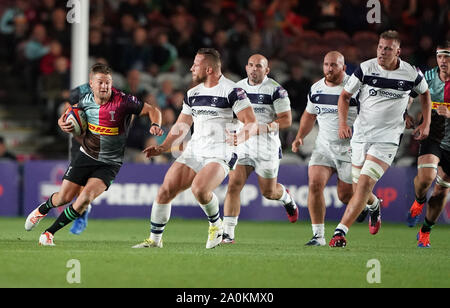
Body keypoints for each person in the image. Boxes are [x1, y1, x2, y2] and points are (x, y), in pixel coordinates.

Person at [24, 63, 163, 246]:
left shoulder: (123, 101)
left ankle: (49, 233)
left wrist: (156, 125)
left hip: (110, 163)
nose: (104, 86)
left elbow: (153, 110)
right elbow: (67, 114)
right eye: (100, 83)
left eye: (107, 82)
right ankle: (43, 209)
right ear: (92, 84)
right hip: (86, 156)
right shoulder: (85, 101)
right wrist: (61, 122)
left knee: (85, 199)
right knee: (64, 197)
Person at [132, 48, 257, 249]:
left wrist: (240, 136)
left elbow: (251, 122)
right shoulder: (193, 93)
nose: (191, 68)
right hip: (195, 150)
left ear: (208, 69)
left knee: (199, 189)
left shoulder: (233, 91)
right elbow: (181, 125)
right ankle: (155, 240)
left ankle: (217, 226)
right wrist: (163, 146)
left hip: (221, 152)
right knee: (165, 190)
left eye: (195, 64)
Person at [329, 30, 432, 247]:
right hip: (361, 135)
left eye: (388, 49)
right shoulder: (366, 68)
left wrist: (425, 122)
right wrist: (342, 123)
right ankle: (374, 206)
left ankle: (340, 232)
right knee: (359, 191)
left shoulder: (411, 73)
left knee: (365, 184)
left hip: (387, 139)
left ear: (398, 51)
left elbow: (424, 93)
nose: (382, 52)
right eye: (380, 47)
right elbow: (345, 96)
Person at [222, 54, 298, 244]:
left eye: (258, 66)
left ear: (266, 70)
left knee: (268, 192)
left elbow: (287, 120)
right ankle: (228, 233)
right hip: (243, 144)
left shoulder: (276, 90)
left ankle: (287, 199)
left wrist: (262, 128)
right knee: (233, 185)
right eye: (250, 65)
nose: (254, 69)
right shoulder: (237, 88)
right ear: (246, 67)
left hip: (266, 147)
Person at [291, 51, 361, 246]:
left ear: (344, 68)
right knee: (314, 184)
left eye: (334, 65)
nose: (329, 69)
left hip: (349, 149)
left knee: (345, 195)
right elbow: (309, 115)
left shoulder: (354, 87)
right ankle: (318, 236)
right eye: (326, 64)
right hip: (324, 147)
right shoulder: (316, 88)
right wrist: (299, 137)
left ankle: (366, 204)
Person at [407, 41, 450, 247]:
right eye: (440, 56)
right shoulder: (428, 77)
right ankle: (419, 200)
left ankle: (425, 231)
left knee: (441, 191)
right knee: (426, 179)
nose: (443, 61)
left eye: (447, 57)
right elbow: (409, 94)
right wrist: (405, 112)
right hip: (433, 135)